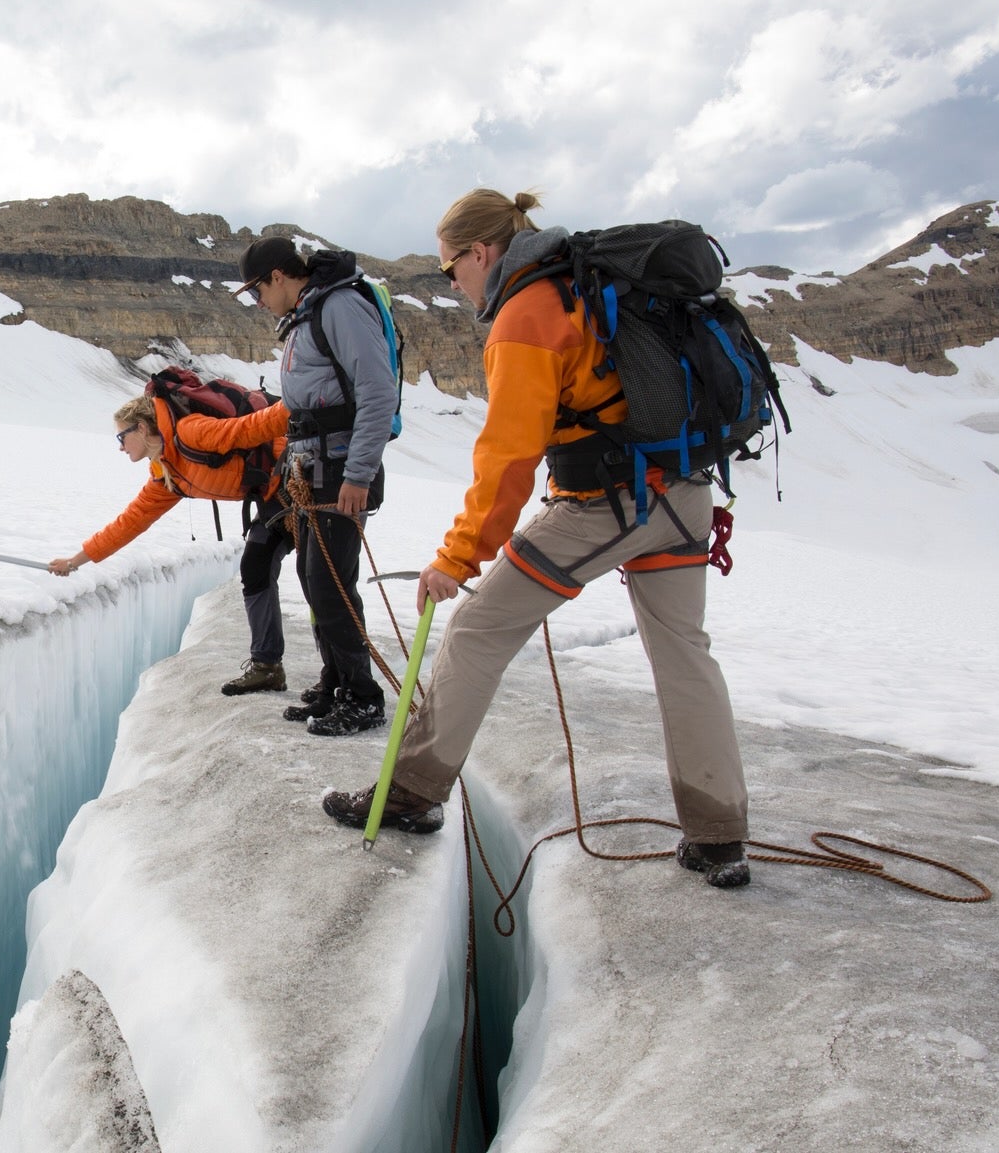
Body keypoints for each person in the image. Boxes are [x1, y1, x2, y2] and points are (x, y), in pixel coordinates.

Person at [322, 189, 753, 889]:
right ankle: (719, 836)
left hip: (610, 502)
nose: (452, 284)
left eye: (448, 269)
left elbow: (507, 460)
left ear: (479, 253)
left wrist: (456, 558)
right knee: (683, 654)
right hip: (684, 493)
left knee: (475, 630)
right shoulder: (578, 286)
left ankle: (409, 795)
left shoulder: (525, 313)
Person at [235, 237, 399, 736]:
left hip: (340, 469)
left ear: (278, 277)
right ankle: (336, 683)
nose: (258, 302)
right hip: (313, 469)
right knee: (315, 579)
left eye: (257, 291)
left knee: (331, 584)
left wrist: (359, 475)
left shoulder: (340, 307)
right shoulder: (308, 315)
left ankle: (362, 696)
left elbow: (377, 391)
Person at [49, 392, 295, 696]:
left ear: (141, 427)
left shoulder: (192, 433)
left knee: (319, 579)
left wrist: (302, 398)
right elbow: (130, 522)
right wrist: (75, 561)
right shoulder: (169, 474)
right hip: (276, 496)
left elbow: (250, 428)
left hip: (299, 477)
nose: (120, 448)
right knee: (256, 567)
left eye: (122, 438)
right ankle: (268, 667)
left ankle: (341, 677)